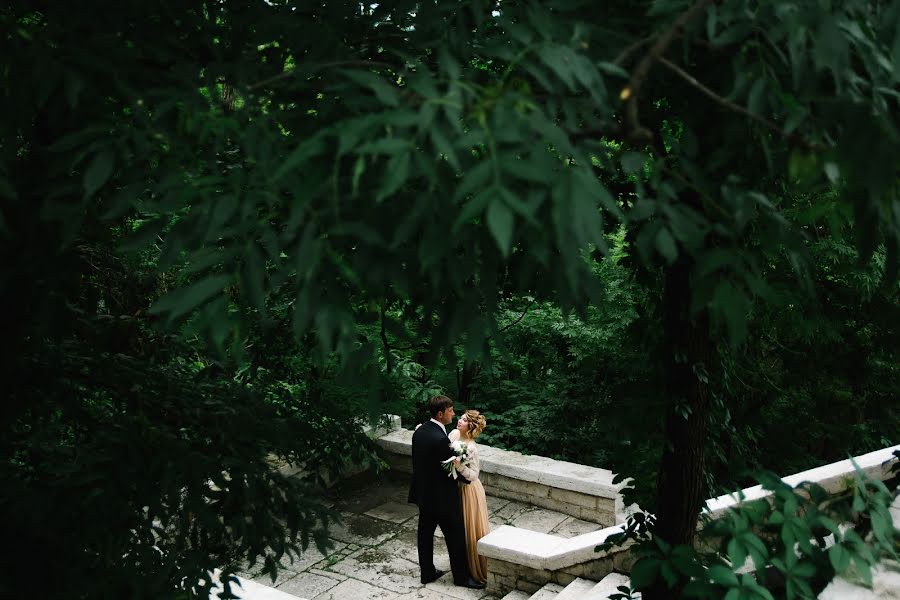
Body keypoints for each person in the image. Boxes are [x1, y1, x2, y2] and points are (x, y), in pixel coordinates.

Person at [408, 395, 485, 590]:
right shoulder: (441, 440)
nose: (453, 414)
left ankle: (427, 573)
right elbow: (454, 472)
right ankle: (461, 577)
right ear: (441, 414)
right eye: (450, 411)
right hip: (442, 499)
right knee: (456, 536)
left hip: (423, 495)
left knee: (424, 535)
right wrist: (466, 477)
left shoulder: (420, 432)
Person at [449, 409, 490, 583]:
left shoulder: (471, 448)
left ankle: (474, 567)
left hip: (469, 490)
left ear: (470, 426)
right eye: (460, 417)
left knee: (469, 527)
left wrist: (459, 466)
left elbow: (474, 474)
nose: (459, 421)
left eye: (464, 420)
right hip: (455, 488)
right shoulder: (454, 434)